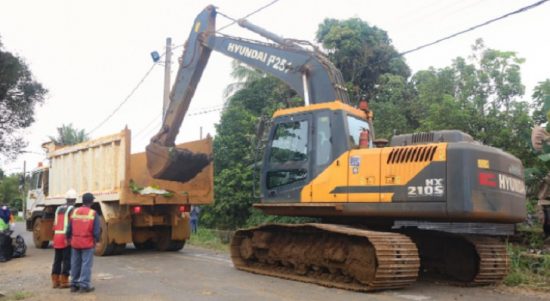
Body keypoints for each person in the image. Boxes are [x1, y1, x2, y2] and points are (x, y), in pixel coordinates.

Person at [67, 192, 100, 293]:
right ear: (92, 202)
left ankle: (74, 285)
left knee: (75, 263)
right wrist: (96, 240)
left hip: (75, 242)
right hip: (87, 242)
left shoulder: (75, 212)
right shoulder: (93, 213)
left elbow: (69, 228)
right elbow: (96, 231)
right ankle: (84, 285)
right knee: (86, 264)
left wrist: (68, 238)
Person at [51, 189, 77, 289]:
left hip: (57, 236)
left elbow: (55, 224)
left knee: (57, 259)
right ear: (74, 199)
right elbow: (72, 224)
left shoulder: (58, 209)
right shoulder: (72, 209)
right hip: (66, 238)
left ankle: (55, 280)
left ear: (66, 198)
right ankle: (64, 281)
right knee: (66, 260)